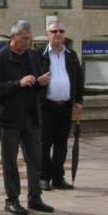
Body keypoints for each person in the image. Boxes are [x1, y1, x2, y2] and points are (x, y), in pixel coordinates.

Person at [0, 20, 54, 215]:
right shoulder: (0, 58)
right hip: (9, 119)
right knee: (10, 161)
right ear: (13, 37)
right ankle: (12, 199)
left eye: (29, 39)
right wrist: (18, 83)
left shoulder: (31, 56)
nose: (27, 43)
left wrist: (40, 82)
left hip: (31, 117)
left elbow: (33, 83)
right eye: (24, 39)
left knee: (35, 159)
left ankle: (35, 197)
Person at [37, 19, 84, 192]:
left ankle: (58, 177)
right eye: (54, 31)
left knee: (61, 144)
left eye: (61, 31)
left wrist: (78, 101)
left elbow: (79, 79)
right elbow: (32, 78)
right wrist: (38, 81)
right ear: (47, 34)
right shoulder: (38, 55)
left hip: (65, 107)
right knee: (44, 144)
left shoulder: (71, 55)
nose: (58, 34)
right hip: (46, 106)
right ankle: (43, 177)